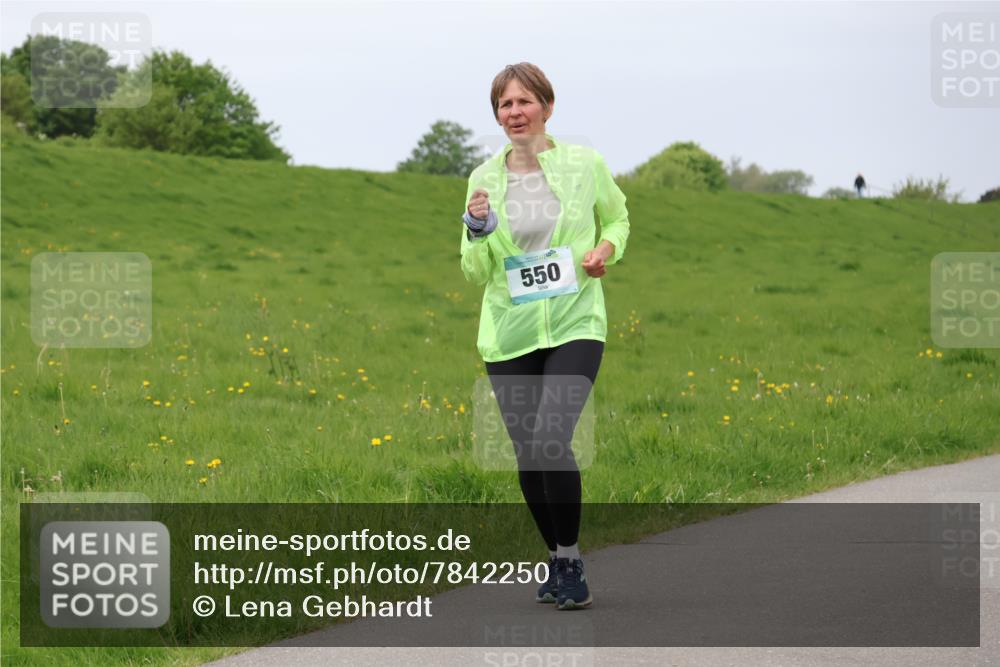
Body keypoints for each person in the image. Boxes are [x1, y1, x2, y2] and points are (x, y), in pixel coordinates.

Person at [459, 62, 630, 610]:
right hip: (509, 333)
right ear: (497, 116)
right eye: (505, 105)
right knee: (529, 455)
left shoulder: (584, 164)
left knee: (553, 439)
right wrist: (476, 229)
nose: (515, 112)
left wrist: (605, 251)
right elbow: (474, 272)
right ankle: (557, 558)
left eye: (524, 101)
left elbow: (619, 220)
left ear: (547, 107)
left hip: (577, 321)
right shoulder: (483, 179)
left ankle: (573, 559)